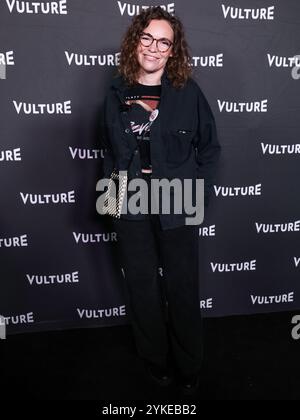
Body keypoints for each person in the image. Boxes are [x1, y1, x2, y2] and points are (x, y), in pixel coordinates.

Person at [100, 6, 221, 396]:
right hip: (130, 199)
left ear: (173, 51)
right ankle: (155, 361)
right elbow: (111, 151)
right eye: (147, 38)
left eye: (163, 41)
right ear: (136, 41)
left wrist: (197, 196)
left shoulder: (188, 93)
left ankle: (190, 364)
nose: (154, 47)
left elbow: (209, 150)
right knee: (141, 287)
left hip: (178, 200)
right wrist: (115, 202)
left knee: (183, 288)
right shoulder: (115, 91)